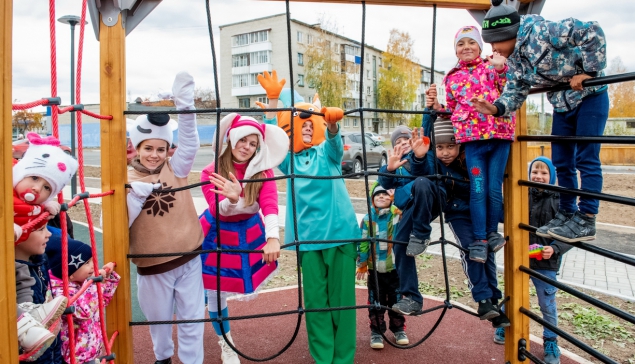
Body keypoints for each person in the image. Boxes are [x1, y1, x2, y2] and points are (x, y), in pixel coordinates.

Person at [471, 0, 608, 243]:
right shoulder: (514, 59)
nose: (494, 48)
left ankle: (587, 217)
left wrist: (590, 72)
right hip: (562, 102)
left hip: (590, 96)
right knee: (562, 162)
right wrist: (494, 108)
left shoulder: (543, 32)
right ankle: (567, 212)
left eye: (496, 41)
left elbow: (591, 30)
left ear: (510, 33)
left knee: (586, 158)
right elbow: (515, 91)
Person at [257, 70, 359, 364]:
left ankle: (343, 359)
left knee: (342, 302)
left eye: (308, 123)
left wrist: (333, 127)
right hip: (309, 241)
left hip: (340, 235)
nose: (304, 128)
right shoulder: (290, 160)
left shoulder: (325, 153)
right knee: (315, 304)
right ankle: (323, 358)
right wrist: (274, 102)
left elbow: (335, 144)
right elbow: (271, 143)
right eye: (298, 124)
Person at [126, 72, 205, 364]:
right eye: (149, 148)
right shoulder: (125, 178)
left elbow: (190, 142)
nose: (155, 155)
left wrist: (184, 105)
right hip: (152, 266)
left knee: (192, 320)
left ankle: (192, 361)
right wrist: (135, 196)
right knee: (158, 321)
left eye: (161, 149)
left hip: (189, 258)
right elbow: (121, 222)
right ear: (137, 147)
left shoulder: (177, 167)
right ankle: (163, 358)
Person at [199, 112, 288, 364]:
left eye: (253, 143)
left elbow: (270, 204)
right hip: (217, 235)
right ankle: (226, 343)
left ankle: (219, 329)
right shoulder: (210, 171)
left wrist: (273, 238)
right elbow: (217, 211)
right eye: (243, 140)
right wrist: (232, 198)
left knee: (237, 284)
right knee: (216, 292)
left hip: (249, 233)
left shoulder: (263, 170)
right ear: (231, 138)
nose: (247, 147)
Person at [427, 25, 515, 264]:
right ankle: (480, 240)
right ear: (456, 50)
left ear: (480, 46)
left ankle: (491, 233)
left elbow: (511, 86)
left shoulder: (492, 66)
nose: (466, 47)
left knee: (494, 188)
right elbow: (455, 110)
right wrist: (438, 109)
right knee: (478, 187)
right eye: (461, 44)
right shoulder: (452, 77)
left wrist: (501, 67)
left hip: (498, 135)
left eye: (471, 43)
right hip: (473, 140)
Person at [426, 116, 510, 328]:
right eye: (440, 147)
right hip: (458, 214)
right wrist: (430, 112)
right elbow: (426, 142)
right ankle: (482, 298)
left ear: (460, 144)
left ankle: (493, 301)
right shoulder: (437, 164)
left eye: (451, 146)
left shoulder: (470, 158)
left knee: (488, 252)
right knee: (471, 250)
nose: (445, 152)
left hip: (481, 213)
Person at [494, 157, 571, 364]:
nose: (538, 176)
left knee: (547, 302)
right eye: (535, 172)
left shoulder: (560, 199)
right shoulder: (521, 192)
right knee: (512, 294)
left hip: (546, 261)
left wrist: (555, 249)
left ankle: (551, 341)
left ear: (552, 177)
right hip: (520, 256)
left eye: (544, 173)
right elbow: (505, 216)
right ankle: (505, 325)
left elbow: (570, 232)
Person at [378, 125, 439, 316]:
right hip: (411, 209)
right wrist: (389, 168)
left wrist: (419, 157)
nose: (403, 144)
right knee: (399, 245)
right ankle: (412, 298)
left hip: (429, 199)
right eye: (398, 142)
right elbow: (384, 183)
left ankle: (422, 234)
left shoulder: (422, 155)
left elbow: (426, 174)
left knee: (420, 182)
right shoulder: (396, 166)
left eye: (406, 141)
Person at [47, 235, 120, 364]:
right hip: (75, 355)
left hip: (89, 348)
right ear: (71, 273)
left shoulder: (80, 283)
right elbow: (84, 312)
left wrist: (108, 279)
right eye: (87, 263)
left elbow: (101, 302)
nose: (93, 266)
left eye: (92, 261)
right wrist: (93, 282)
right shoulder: (60, 293)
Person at [356, 183, 408, 349]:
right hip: (375, 270)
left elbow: (406, 212)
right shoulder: (367, 219)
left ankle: (398, 328)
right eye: (378, 195)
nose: (381, 197)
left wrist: (397, 201)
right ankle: (377, 331)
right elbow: (363, 242)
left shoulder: (397, 215)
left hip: (395, 269)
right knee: (375, 301)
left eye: (386, 194)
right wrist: (362, 263)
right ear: (372, 199)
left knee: (397, 300)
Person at [14, 223, 63, 364]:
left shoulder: (40, 262)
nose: (48, 234)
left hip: (51, 350)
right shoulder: (10, 275)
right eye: (41, 229)